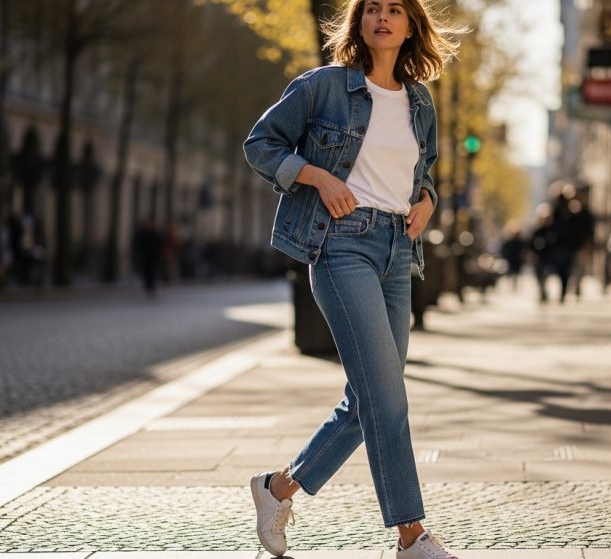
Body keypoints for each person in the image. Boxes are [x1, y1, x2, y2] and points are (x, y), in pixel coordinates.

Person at [242, 1, 461, 557]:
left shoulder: (419, 101)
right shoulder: (322, 87)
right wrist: (317, 177)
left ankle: (277, 488)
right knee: (387, 398)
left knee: (369, 397)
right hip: (339, 244)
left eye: (395, 10)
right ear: (359, 23)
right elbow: (261, 145)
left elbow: (423, 171)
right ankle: (411, 536)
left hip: (397, 251)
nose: (382, 17)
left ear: (410, 26)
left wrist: (428, 200)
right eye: (372, 9)